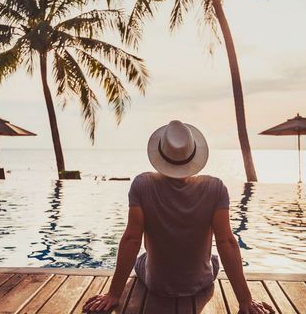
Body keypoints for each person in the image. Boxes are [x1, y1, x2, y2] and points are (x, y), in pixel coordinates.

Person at [83, 120, 274, 314]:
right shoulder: (215, 188)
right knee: (213, 258)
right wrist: (245, 301)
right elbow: (226, 242)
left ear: (160, 153)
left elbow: (132, 239)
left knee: (142, 257)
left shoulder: (142, 185)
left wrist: (113, 294)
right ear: (194, 155)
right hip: (200, 282)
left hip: (156, 283)